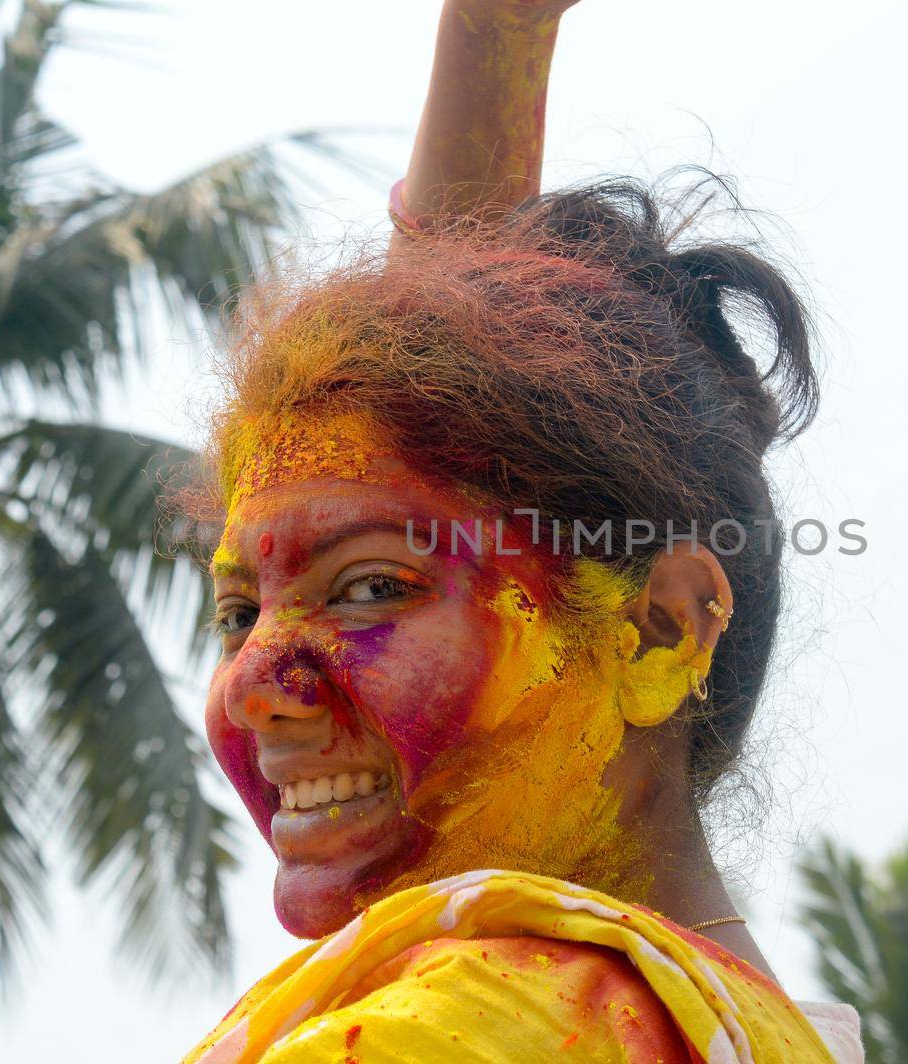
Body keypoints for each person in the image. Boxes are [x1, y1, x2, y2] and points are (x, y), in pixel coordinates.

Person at [184, 1, 859, 1060]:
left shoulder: (475, 1024)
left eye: (369, 585)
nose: (251, 679)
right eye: (235, 609)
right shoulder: (762, 1031)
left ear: (657, 632)